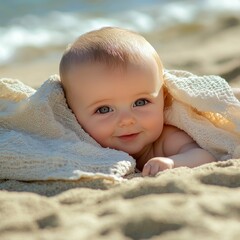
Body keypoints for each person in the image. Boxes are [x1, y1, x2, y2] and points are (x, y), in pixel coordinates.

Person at [59, 26, 216, 177]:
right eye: (104, 109)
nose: (127, 120)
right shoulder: (79, 147)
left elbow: (203, 156)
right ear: (72, 114)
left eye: (140, 102)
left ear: (164, 99)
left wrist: (172, 162)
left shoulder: (166, 139)